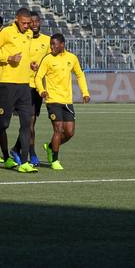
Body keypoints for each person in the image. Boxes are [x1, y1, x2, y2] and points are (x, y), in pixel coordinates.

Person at [0, 7, 39, 173]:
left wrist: (31, 63)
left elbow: (27, 53)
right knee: (4, 122)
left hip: (25, 85)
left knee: (26, 123)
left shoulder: (29, 34)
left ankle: (23, 162)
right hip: (7, 84)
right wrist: (8, 58)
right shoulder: (7, 32)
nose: (26, 26)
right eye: (24, 23)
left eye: (28, 23)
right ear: (17, 19)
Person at [34, 33, 89, 171]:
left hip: (67, 101)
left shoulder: (72, 58)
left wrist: (85, 92)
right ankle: (55, 159)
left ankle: (51, 146)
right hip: (52, 100)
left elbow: (80, 75)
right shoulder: (47, 59)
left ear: (62, 45)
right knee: (58, 129)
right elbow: (38, 77)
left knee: (69, 133)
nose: (51, 47)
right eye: (51, 44)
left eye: (54, 44)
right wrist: (41, 91)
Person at [15, 11, 50, 166]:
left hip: (36, 86)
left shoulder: (47, 41)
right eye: (31, 22)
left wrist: (40, 67)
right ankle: (28, 152)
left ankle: (21, 150)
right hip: (22, 84)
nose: (34, 24)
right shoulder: (24, 38)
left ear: (40, 22)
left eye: (36, 21)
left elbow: (50, 61)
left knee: (31, 122)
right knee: (27, 122)